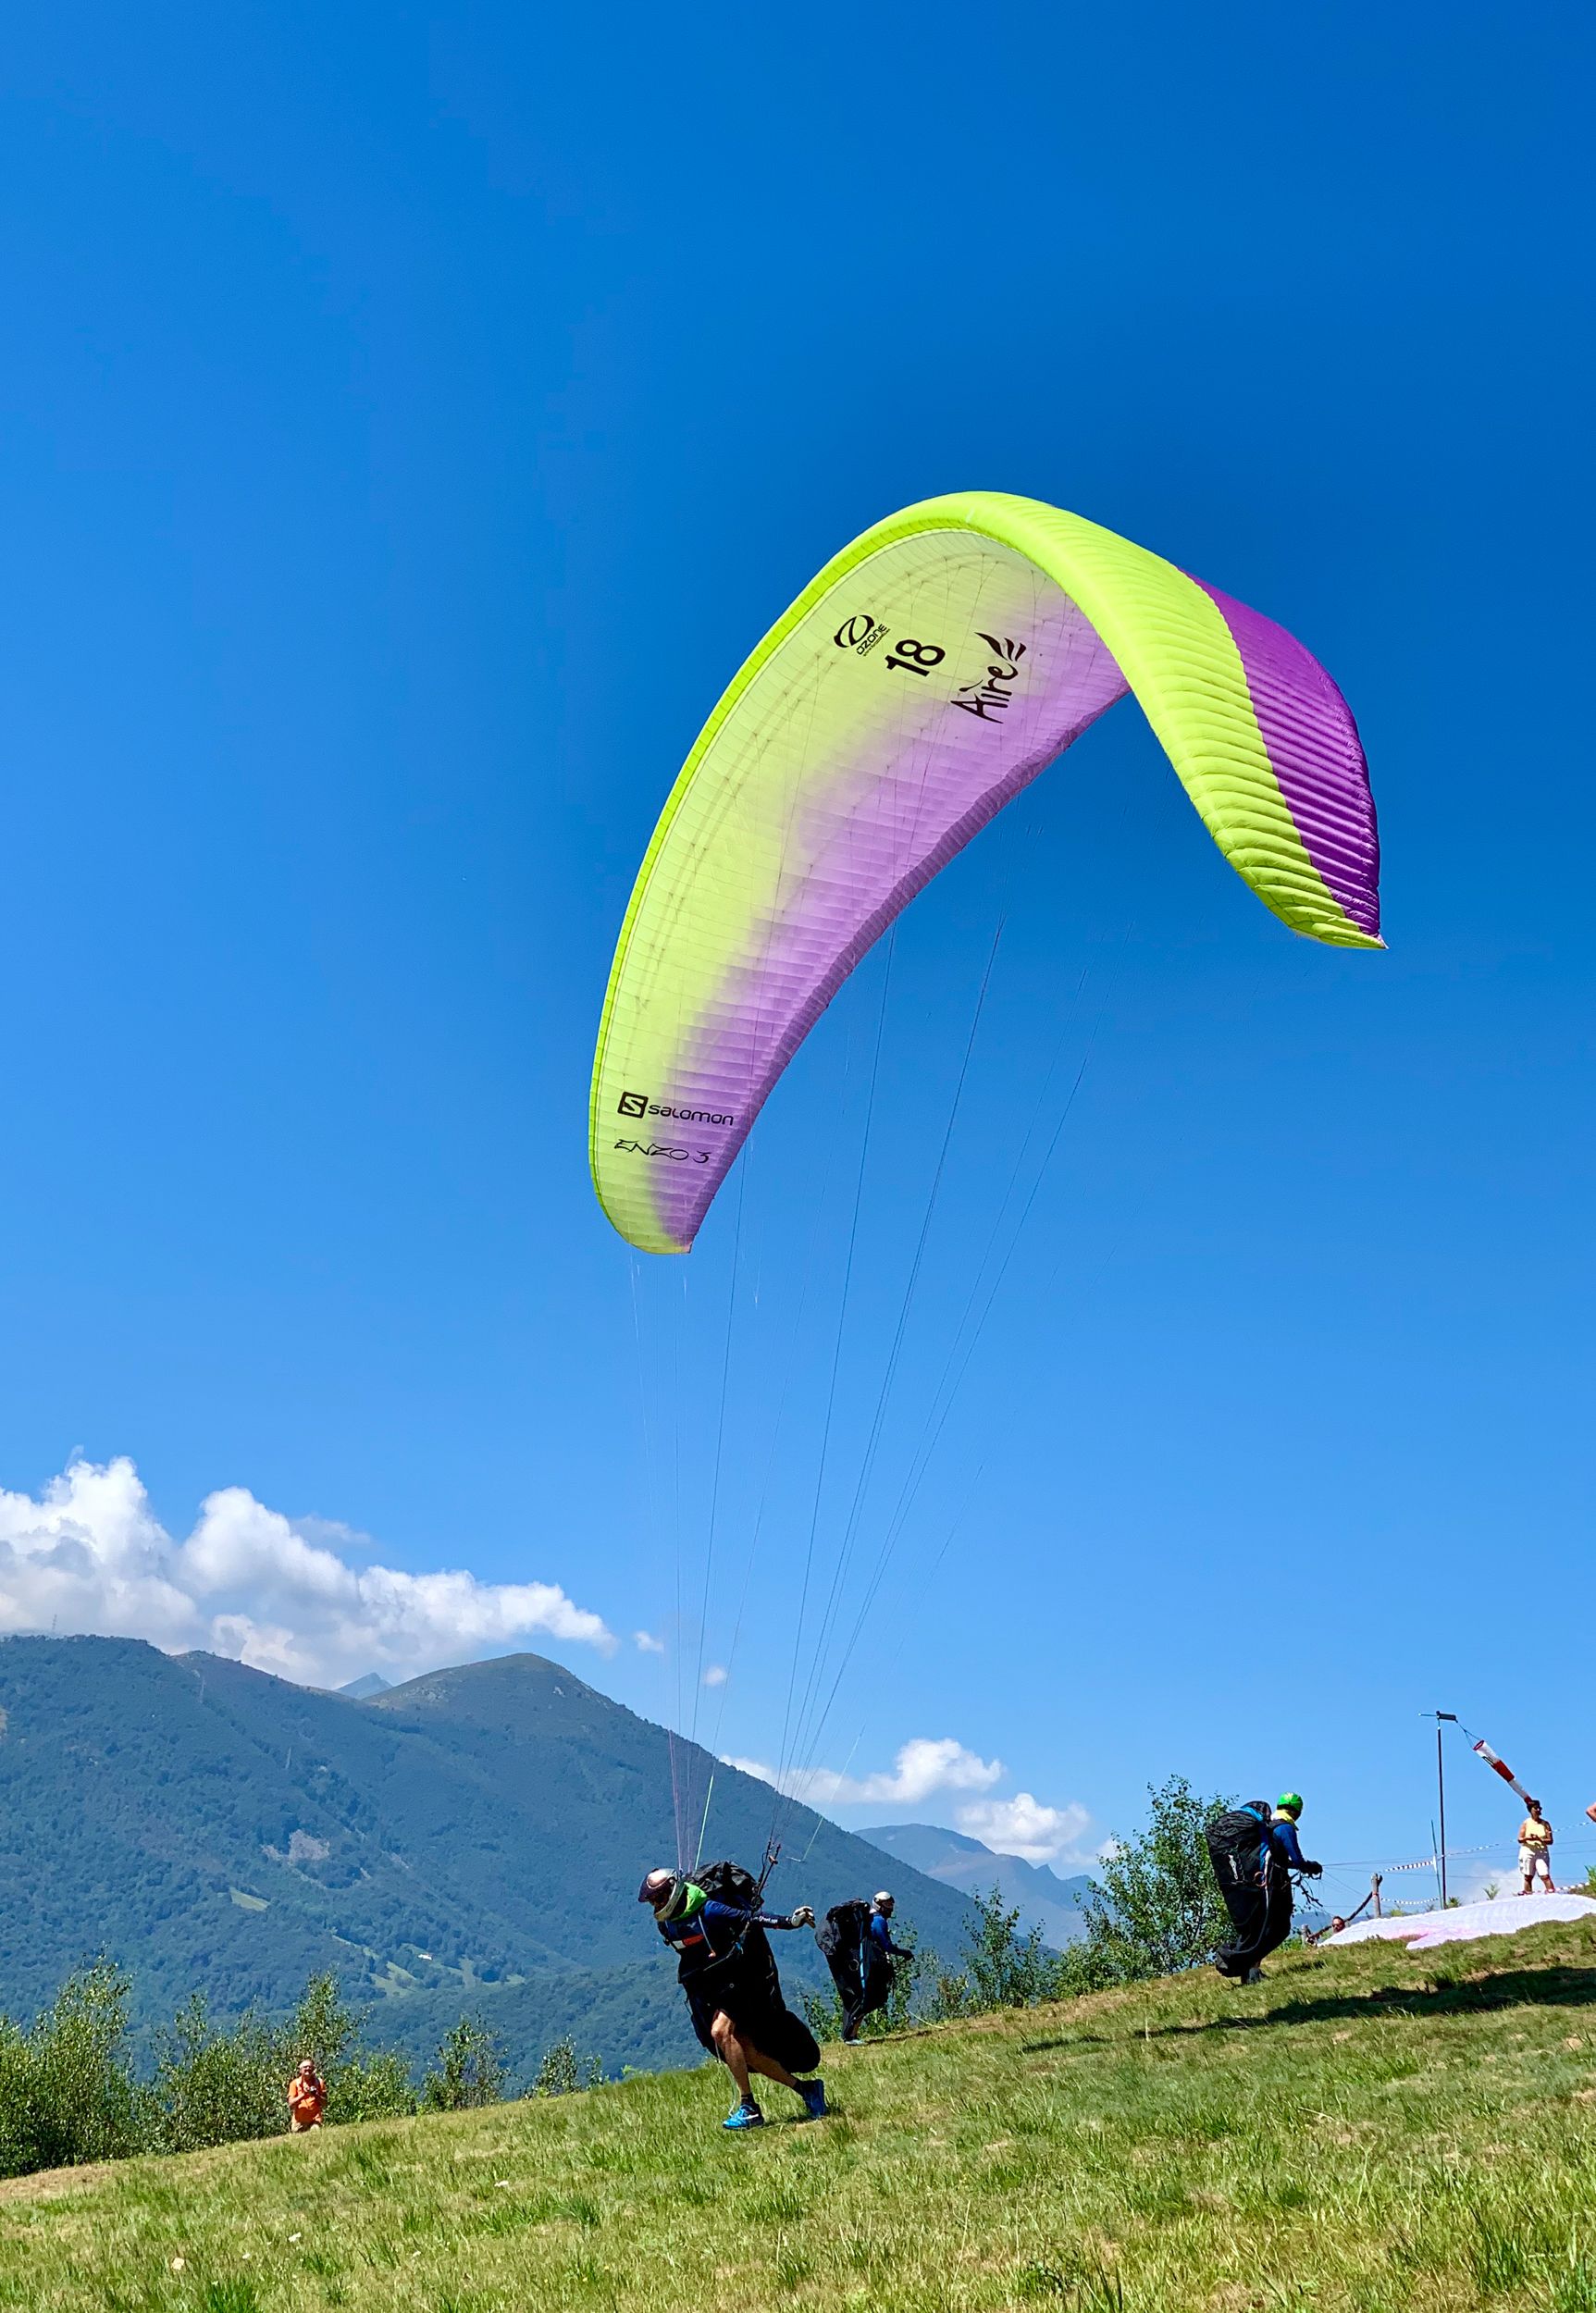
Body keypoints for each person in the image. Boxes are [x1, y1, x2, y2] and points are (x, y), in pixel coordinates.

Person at [638, 1866, 825, 2130]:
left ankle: (749, 2107)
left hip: (742, 1979)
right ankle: (807, 2090)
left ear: (673, 1890)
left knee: (721, 2032)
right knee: (746, 2050)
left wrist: (790, 1922)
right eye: (652, 1901)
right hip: (712, 1986)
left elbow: (752, 1918)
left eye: (659, 1898)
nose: (656, 1905)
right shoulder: (666, 1924)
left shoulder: (709, 1910)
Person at [1208, 1792, 1322, 1983]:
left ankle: (1249, 1972)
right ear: (1297, 1812)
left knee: (1259, 1928)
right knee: (1278, 1929)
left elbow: (1277, 1859)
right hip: (1272, 1885)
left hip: (1253, 1883)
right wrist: (1311, 1866)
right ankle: (1236, 1961)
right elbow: (1296, 1860)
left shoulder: (1266, 1827)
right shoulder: (1284, 1827)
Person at [1518, 1799, 1556, 1893]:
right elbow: (1520, 1839)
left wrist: (1539, 1839)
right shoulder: (1526, 1823)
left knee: (1545, 1875)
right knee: (1528, 1876)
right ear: (1531, 1810)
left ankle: (1551, 1893)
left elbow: (1550, 1840)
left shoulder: (1545, 1824)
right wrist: (1528, 1838)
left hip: (1541, 1852)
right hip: (1528, 1851)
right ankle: (1528, 1894)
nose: (1538, 1810)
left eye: (1539, 1808)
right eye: (1536, 1808)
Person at [286, 2058, 326, 2133]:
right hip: (298, 2121)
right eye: (305, 2067)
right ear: (300, 2070)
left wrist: (316, 2095)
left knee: (316, 2133)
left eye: (310, 2067)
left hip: (315, 2120)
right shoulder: (294, 2084)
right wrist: (303, 2094)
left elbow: (325, 2103)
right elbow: (291, 2103)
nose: (308, 2069)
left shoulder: (319, 2082)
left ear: (313, 2069)